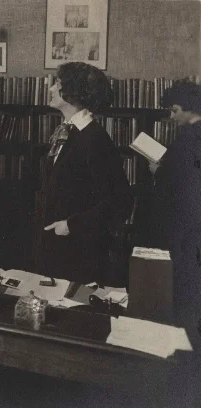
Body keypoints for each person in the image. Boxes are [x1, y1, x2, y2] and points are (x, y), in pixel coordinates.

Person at [38, 61, 133, 286]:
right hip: (58, 248)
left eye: (57, 84)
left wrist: (71, 225)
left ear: (73, 92)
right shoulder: (68, 131)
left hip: (79, 253)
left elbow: (120, 201)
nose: (51, 88)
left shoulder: (94, 138)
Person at [148, 81, 201, 407]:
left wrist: (158, 170)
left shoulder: (187, 140)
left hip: (185, 231)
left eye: (174, 110)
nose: (171, 117)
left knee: (183, 299)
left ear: (187, 109)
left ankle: (182, 372)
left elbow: (177, 187)